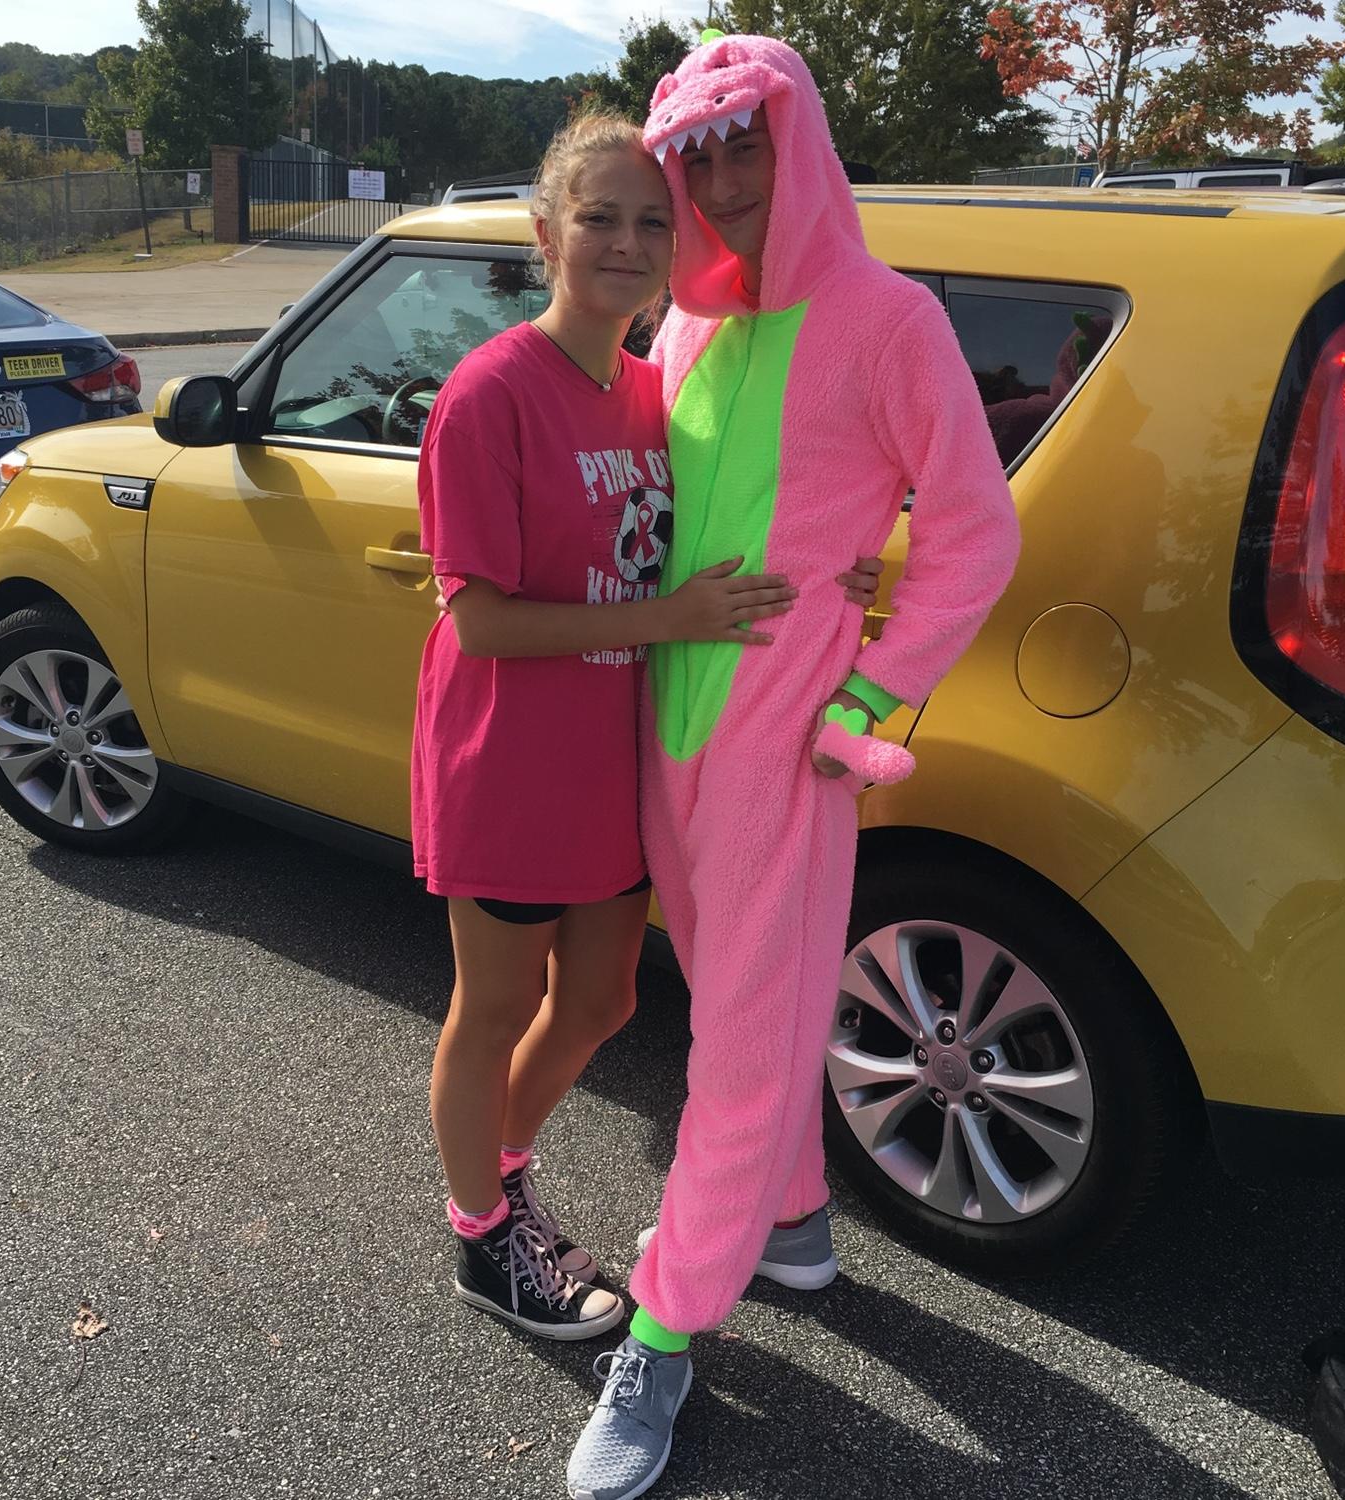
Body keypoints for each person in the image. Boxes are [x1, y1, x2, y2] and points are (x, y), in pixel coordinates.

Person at [567, 34, 1023, 1500]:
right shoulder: (687, 325)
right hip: (674, 713)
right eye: (693, 154)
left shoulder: (890, 318)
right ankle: (798, 1224)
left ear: (799, 139)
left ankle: (664, 1328)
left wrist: (869, 690)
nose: (717, 180)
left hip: (788, 734)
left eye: (743, 143)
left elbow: (976, 530)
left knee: (742, 1040)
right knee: (730, 1001)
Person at [412, 110, 883, 1342]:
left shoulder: (653, 389)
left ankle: (500, 1170)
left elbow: (752, 505)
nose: (625, 243)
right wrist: (670, 617)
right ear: (546, 235)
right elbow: (480, 621)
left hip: (616, 759)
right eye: (598, 219)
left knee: (605, 1001)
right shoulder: (490, 393)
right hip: (509, 758)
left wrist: (847, 564)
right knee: (495, 1006)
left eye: (649, 222)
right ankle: (482, 1235)